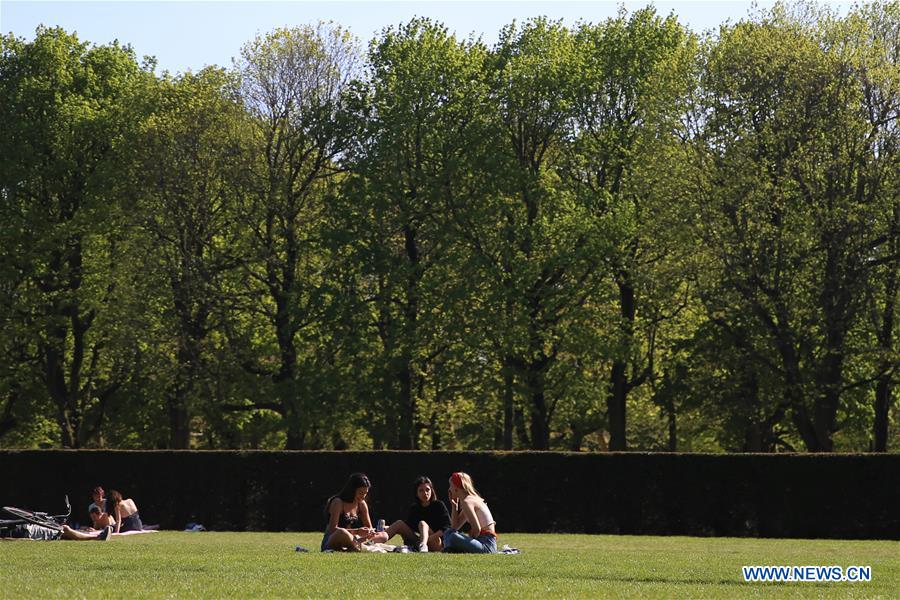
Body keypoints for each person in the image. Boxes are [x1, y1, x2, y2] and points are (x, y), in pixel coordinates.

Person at [383, 476, 450, 552]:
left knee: (422, 523)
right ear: (416, 493)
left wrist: (427, 539)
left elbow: (447, 527)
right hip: (420, 540)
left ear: (432, 490)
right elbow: (408, 526)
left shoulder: (439, 505)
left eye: (427, 490)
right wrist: (389, 527)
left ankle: (422, 546)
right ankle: (371, 543)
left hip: (436, 543)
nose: (425, 493)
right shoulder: (415, 508)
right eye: (421, 490)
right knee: (399, 523)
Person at [321, 473, 382, 551]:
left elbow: (369, 527)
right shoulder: (338, 502)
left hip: (355, 539)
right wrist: (357, 531)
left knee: (383, 535)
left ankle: (355, 547)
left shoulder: (361, 504)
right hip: (332, 541)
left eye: (365, 493)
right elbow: (332, 529)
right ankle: (358, 548)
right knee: (342, 532)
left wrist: (370, 532)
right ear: (352, 490)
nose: (363, 496)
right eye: (360, 493)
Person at [442, 472, 497, 553]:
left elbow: (477, 529)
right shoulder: (469, 500)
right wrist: (454, 506)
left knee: (452, 537)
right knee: (448, 532)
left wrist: (469, 539)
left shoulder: (467, 502)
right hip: (486, 542)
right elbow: (454, 527)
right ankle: (451, 549)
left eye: (450, 486)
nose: (449, 489)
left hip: (486, 545)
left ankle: (450, 550)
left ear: (456, 487)